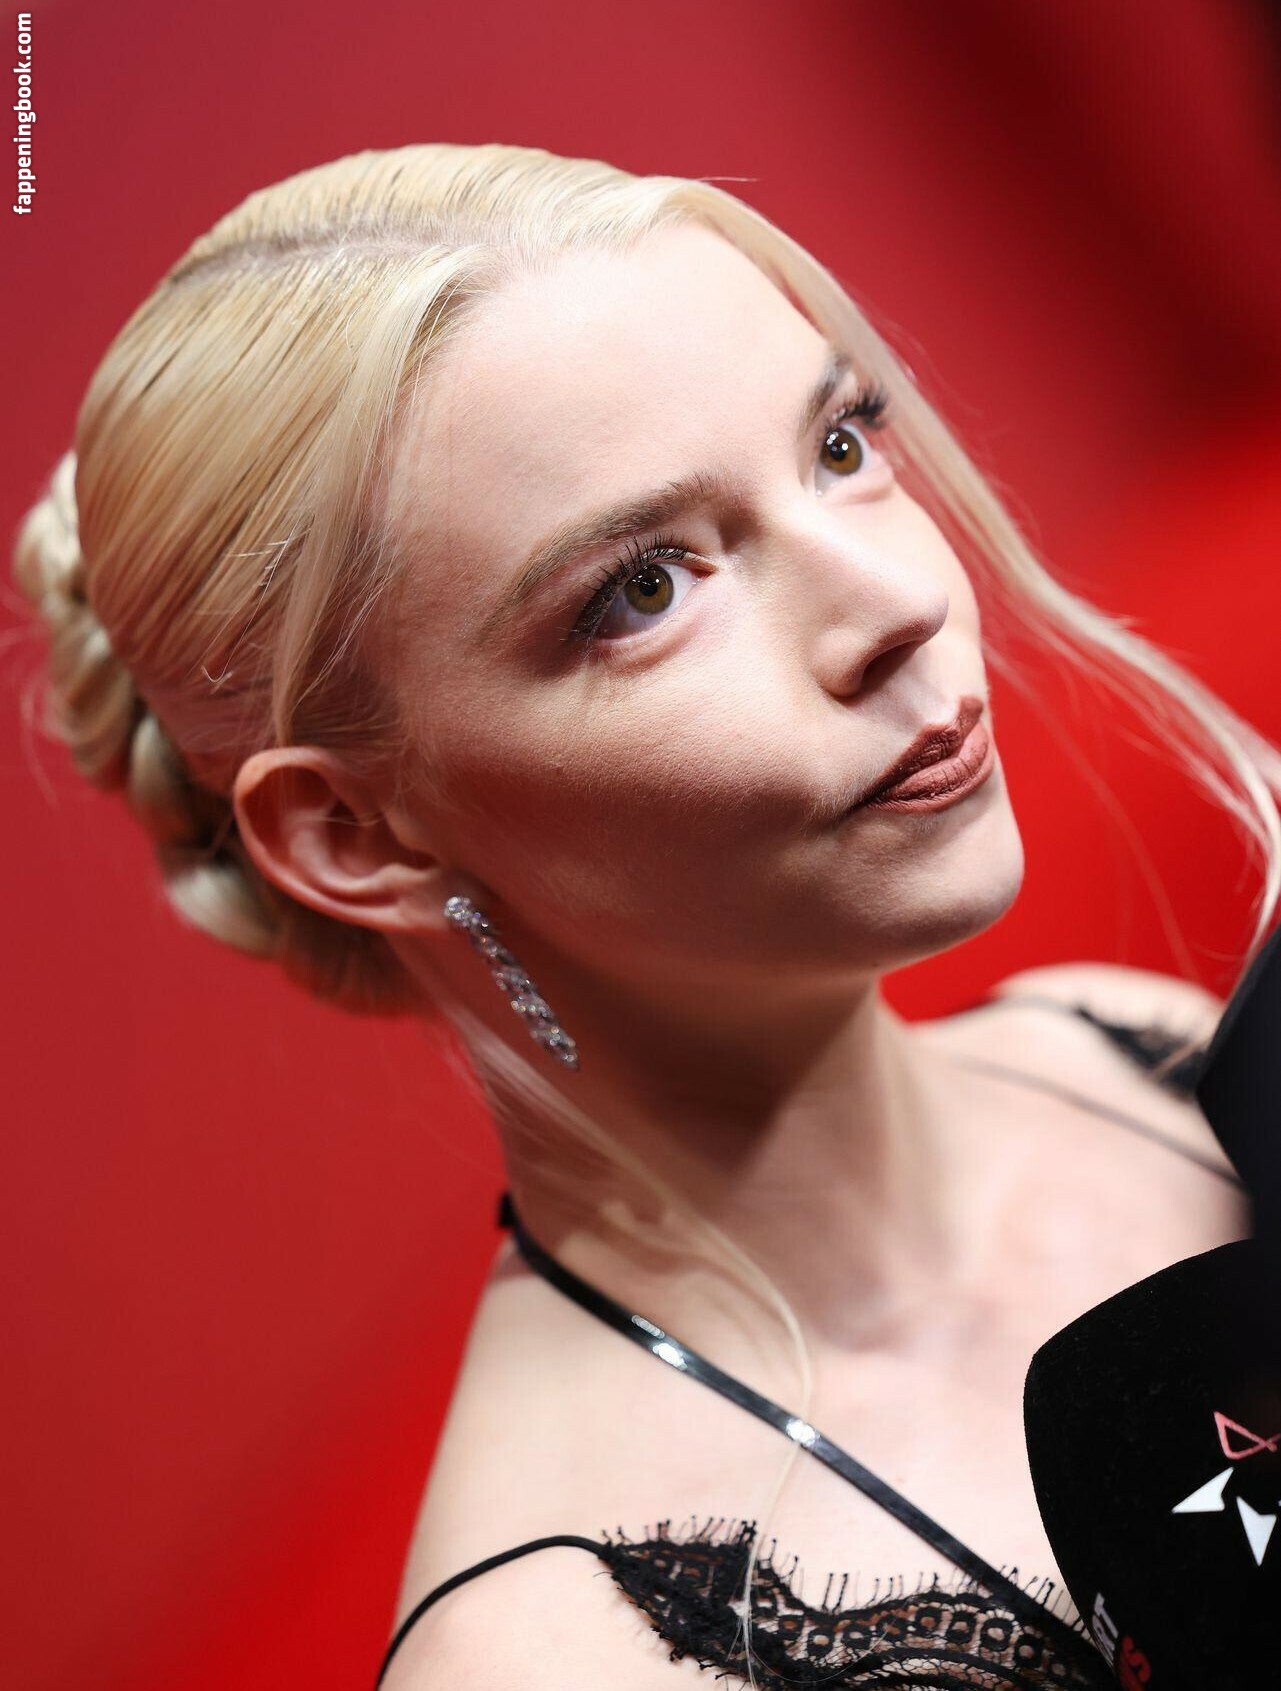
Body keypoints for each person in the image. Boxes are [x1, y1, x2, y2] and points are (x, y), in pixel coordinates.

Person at [11, 143, 1272, 1689]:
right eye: (643, 590)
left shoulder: (1134, 1050)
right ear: (354, 835)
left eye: (838, 443)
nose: (895, 605)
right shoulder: (547, 1656)